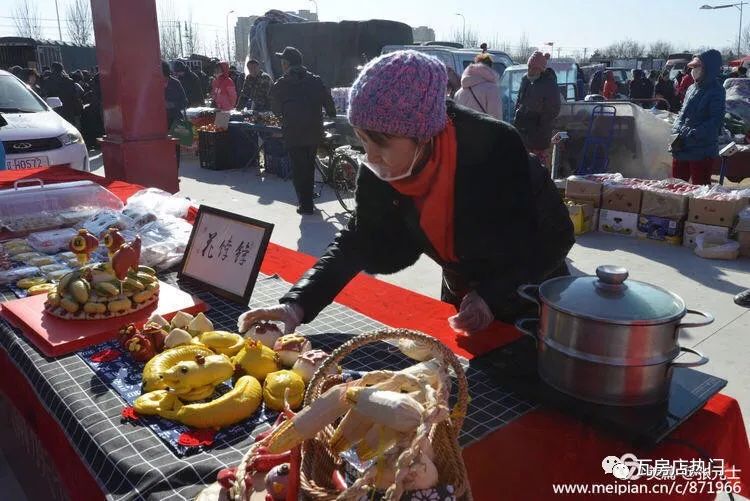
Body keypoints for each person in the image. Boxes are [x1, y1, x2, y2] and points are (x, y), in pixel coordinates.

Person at [237, 50, 574, 337]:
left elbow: (554, 236)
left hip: (529, 291)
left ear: (424, 135)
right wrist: (296, 305)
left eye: (380, 143)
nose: (370, 156)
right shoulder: (386, 167)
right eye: (363, 141)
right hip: (463, 292)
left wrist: (492, 295)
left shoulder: (496, 149)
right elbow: (357, 239)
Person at [270, 47, 336, 215]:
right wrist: (330, 114)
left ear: (286, 64)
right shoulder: (316, 80)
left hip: (293, 132)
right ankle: (308, 198)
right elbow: (329, 104)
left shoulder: (281, 84)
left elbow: (276, 110)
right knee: (308, 164)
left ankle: (305, 204)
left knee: (299, 168)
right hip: (314, 131)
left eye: (283, 62)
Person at [670, 49, 726, 186]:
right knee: (676, 186)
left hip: (702, 149)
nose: (693, 70)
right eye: (692, 67)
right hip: (682, 146)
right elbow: (682, 113)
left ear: (708, 68)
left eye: (697, 67)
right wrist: (677, 129)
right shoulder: (691, 88)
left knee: (700, 188)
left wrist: (694, 132)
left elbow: (715, 120)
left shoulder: (717, 91)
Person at [513, 51, 561, 166]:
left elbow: (554, 108)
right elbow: (519, 100)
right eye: (529, 67)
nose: (530, 70)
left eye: (533, 68)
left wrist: (539, 119)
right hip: (523, 131)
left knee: (538, 167)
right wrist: (519, 114)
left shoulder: (549, 83)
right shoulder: (525, 80)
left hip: (539, 134)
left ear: (541, 69)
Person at [454, 53, 502, 119]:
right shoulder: (492, 89)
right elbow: (496, 117)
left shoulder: (458, 93)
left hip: (463, 129)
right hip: (484, 128)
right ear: (490, 68)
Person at [44, 62, 83, 127]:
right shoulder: (69, 81)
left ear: (52, 69)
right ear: (62, 70)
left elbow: (45, 95)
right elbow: (74, 96)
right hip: (68, 109)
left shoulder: (48, 81)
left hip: (54, 110)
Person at [162, 61, 188, 128]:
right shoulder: (154, 85)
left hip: (176, 121)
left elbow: (184, 102)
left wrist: (172, 104)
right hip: (161, 122)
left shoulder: (175, 83)